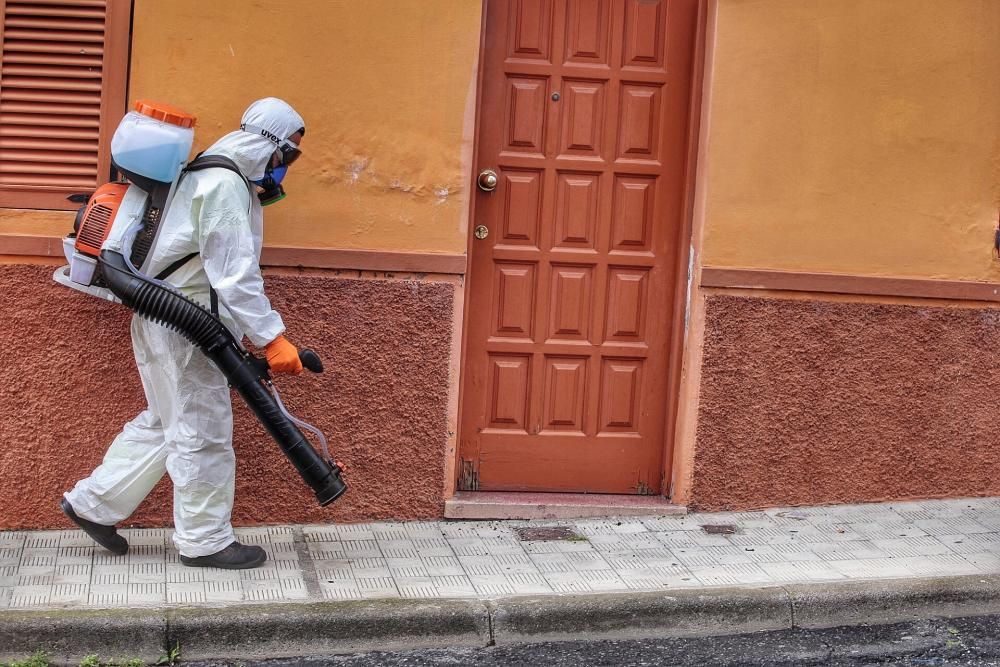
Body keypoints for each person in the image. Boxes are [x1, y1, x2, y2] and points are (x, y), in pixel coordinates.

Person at [60, 98, 307, 569]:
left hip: (165, 321)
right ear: (268, 146)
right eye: (288, 156)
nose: (284, 168)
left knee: (165, 422)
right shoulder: (225, 185)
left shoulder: (200, 174)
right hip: (187, 328)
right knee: (203, 432)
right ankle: (205, 541)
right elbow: (234, 275)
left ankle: (92, 505)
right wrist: (272, 337)